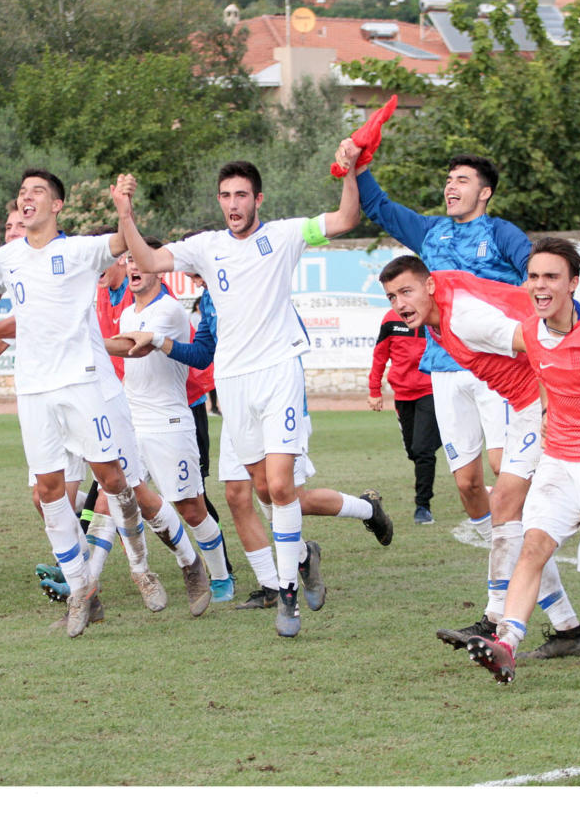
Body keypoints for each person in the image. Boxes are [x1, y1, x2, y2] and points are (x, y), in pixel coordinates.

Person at [111, 149, 363, 638]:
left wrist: (350, 169)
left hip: (279, 371)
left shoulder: (285, 234)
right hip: (233, 383)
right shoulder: (206, 246)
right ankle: (305, 554)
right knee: (263, 490)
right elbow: (149, 259)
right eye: (225, 195)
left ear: (258, 199)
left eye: (241, 195)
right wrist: (126, 213)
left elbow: (347, 216)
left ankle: (286, 592)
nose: (233, 203)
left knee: (283, 485)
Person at [417, 237, 580, 683]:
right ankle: (506, 642)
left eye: (551, 277)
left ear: (573, 283)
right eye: (533, 277)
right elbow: (542, 369)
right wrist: (549, 411)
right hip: (561, 460)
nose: (539, 285)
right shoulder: (531, 331)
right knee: (532, 546)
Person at [0, 169, 153, 638]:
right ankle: (83, 594)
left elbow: (125, 244)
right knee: (47, 491)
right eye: (22, 192)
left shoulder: (78, 249)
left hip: (80, 382)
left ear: (56, 205)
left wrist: (124, 205)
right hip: (34, 390)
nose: (26, 198)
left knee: (114, 478)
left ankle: (141, 567)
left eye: (36, 192)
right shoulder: (8, 255)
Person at [121, 262, 395, 612]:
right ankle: (270, 584)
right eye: (191, 271)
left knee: (288, 498)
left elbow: (297, 342)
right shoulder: (209, 302)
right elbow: (203, 354)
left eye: (198, 267)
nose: (194, 276)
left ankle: (364, 511)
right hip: (238, 410)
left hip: (275, 407)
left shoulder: (259, 289)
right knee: (237, 495)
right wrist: (160, 342)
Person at [378, 256, 580, 665]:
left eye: (406, 291)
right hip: (526, 404)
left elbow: (536, 341)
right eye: (391, 297)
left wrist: (551, 408)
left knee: (509, 507)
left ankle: (495, 617)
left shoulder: (464, 320)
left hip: (538, 402)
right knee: (521, 522)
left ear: (428, 286)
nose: (400, 304)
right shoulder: (437, 315)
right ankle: (568, 629)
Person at [350, 152, 528, 549]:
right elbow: (379, 207)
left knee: (503, 466)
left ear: (485, 192)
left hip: (496, 370)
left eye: (462, 180)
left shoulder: (502, 234)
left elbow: (537, 276)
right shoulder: (431, 232)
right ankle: (503, 552)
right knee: (467, 483)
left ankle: (523, 548)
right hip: (444, 371)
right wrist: (358, 167)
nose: (451, 186)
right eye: (449, 179)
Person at [108, 240, 233, 601]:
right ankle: (87, 586)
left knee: (191, 507)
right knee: (111, 499)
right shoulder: (128, 312)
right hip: (132, 422)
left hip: (169, 423)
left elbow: (138, 346)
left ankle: (221, 578)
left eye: (139, 260)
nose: (132, 266)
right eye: (128, 259)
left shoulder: (170, 310)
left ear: (157, 267)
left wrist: (82, 341)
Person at [368, 307, 440, 525]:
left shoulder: (433, 316)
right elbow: (380, 355)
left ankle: (423, 507)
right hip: (402, 395)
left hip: (431, 390)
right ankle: (436, 437)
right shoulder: (390, 320)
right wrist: (374, 390)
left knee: (422, 451)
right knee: (414, 451)